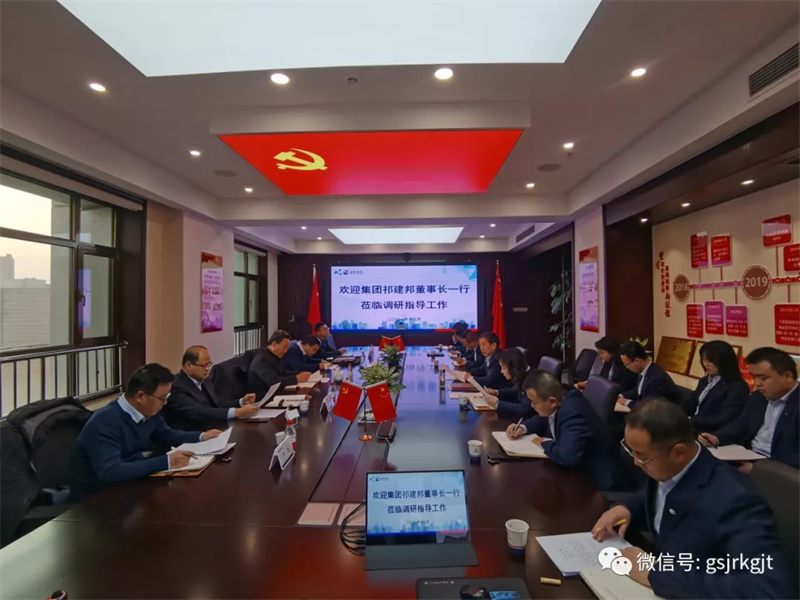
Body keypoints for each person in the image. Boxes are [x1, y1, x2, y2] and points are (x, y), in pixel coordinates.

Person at [592, 398, 793, 599]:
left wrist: (656, 573)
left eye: (642, 456)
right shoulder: (669, 466)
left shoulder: (736, 501)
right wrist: (625, 508)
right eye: (632, 452)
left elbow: (769, 590)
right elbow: (663, 501)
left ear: (679, 452)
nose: (636, 462)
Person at [69, 364, 221, 501]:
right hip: (95, 498)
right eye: (162, 398)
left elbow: (166, 434)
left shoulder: (148, 412)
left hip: (130, 485)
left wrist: (202, 436)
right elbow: (111, 471)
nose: (165, 403)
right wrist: (167, 462)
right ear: (140, 396)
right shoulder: (104, 422)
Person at [505, 370, 636, 491]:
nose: (532, 406)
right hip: (579, 469)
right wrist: (523, 427)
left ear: (552, 401)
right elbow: (544, 416)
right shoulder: (562, 397)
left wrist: (545, 443)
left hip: (598, 481)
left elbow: (567, 458)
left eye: (535, 402)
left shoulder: (573, 414)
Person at [699, 347, 798, 470]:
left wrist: (758, 469)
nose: (757, 383)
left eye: (763, 378)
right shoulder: (758, 397)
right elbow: (740, 425)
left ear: (788, 376)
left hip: (778, 470)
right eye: (754, 377)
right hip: (747, 457)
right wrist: (716, 438)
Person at [162, 346, 259, 430]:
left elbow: (217, 404)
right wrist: (237, 412)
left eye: (209, 364)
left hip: (212, 430)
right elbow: (198, 412)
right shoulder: (176, 386)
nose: (208, 369)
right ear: (188, 365)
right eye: (204, 366)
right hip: (191, 435)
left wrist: (241, 402)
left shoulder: (205, 380)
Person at [683, 340, 749, 433]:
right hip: (691, 427)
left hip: (711, 433)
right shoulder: (704, 381)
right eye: (703, 359)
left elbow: (723, 419)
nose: (706, 364)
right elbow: (690, 404)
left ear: (724, 361)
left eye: (710, 361)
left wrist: (690, 420)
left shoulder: (737, 387)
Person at [248, 330, 312, 397]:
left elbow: (283, 372)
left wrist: (299, 373)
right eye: (284, 347)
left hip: (276, 392)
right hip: (264, 397)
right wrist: (296, 378)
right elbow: (274, 382)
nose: (286, 351)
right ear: (274, 344)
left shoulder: (274, 355)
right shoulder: (261, 360)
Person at [618, 341, 679, 408]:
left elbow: (648, 406)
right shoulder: (644, 370)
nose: (627, 367)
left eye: (627, 364)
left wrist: (627, 402)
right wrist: (621, 396)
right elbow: (638, 390)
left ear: (637, 361)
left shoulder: (657, 380)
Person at [482, 348, 534, 418]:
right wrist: (496, 392)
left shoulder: (532, 380)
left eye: (503, 368)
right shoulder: (523, 374)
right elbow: (514, 391)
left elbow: (524, 409)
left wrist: (497, 404)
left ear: (513, 367)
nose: (501, 371)